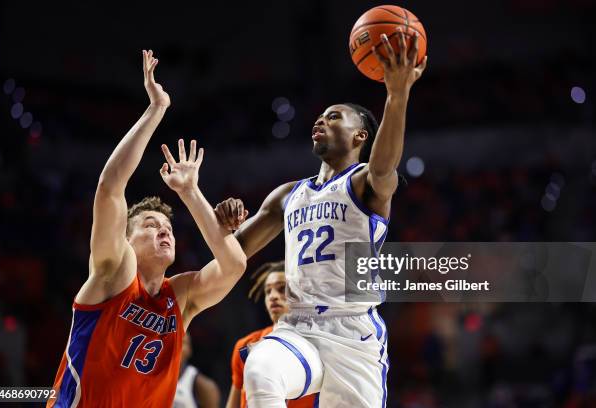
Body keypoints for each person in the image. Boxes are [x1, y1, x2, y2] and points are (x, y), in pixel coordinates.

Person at [215, 30, 427, 407]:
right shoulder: (287, 195)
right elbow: (233, 252)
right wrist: (221, 224)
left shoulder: (366, 183)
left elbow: (384, 166)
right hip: (298, 326)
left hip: (352, 332)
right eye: (319, 117)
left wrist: (397, 95)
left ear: (360, 135)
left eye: (333, 117)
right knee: (260, 369)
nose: (320, 121)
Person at [48, 50, 247, 407]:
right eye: (151, 225)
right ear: (125, 240)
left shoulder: (180, 297)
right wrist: (156, 109)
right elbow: (110, 187)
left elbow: (234, 266)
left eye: (168, 226)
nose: (164, 231)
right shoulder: (115, 273)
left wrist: (190, 192)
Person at [226, 261, 316, 408]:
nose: (273, 296)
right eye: (268, 291)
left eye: (282, 289)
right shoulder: (245, 345)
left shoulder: (317, 342)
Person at [174, 333, 221, 408]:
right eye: (171, 342)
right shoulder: (151, 377)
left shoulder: (203, 386)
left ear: (189, 350)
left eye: (182, 342)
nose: (176, 346)